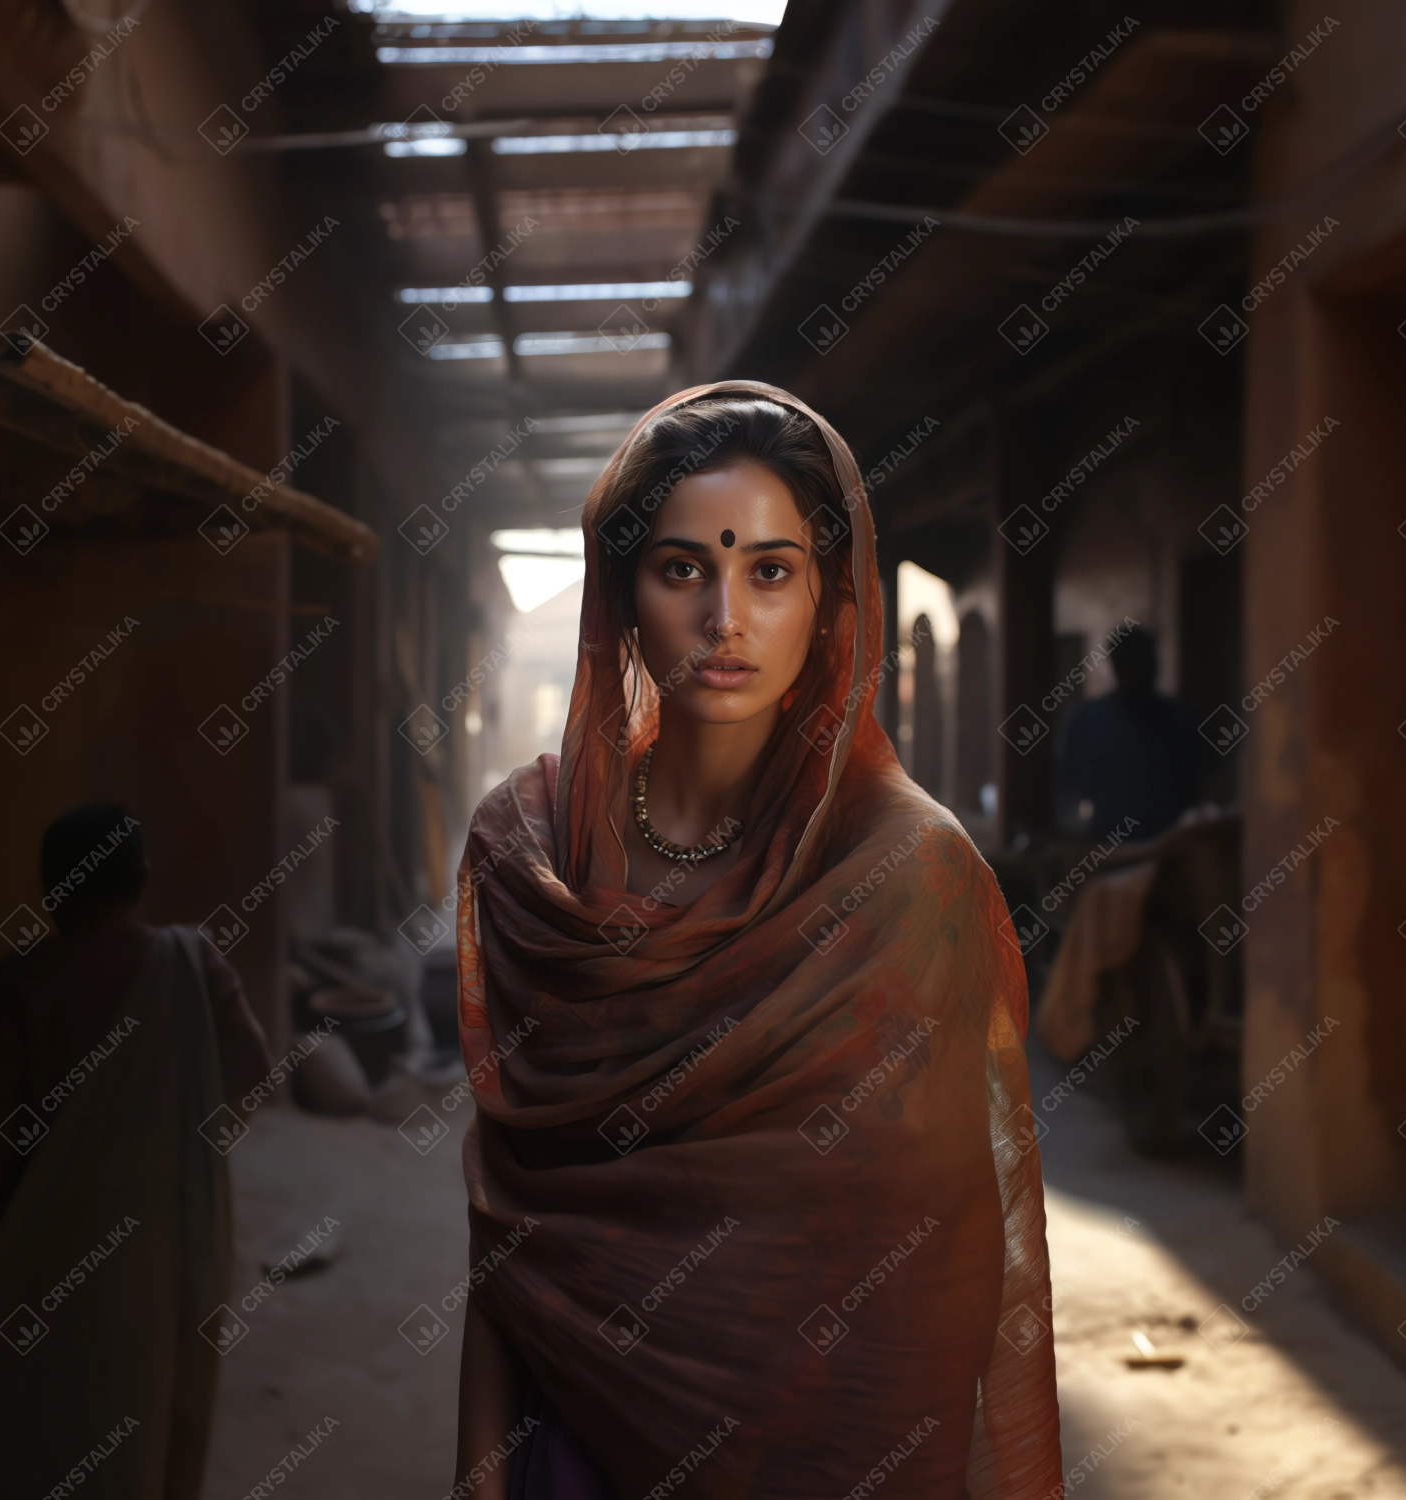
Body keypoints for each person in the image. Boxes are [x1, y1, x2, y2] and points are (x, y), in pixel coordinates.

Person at [452, 383, 1061, 1499]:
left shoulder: (910, 875)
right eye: (683, 568)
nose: (725, 615)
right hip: (573, 1455)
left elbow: (945, 1264)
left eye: (770, 571)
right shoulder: (529, 854)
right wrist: (477, 1476)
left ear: (829, 601)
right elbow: (508, 1220)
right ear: (623, 595)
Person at [0, 803, 272, 1499]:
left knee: (45, 1416)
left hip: (45, 1237)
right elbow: (250, 1068)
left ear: (52, 890)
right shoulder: (188, 960)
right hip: (164, 1239)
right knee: (151, 1412)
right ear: (141, 878)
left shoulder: (18, 984)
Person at [1055, 625, 1207, 842]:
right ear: (1116, 666)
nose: (1140, 671)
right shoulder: (1084, 723)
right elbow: (1066, 790)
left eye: (1146, 661)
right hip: (1105, 854)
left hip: (1174, 852)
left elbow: (1205, 785)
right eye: (1130, 663)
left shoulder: (1181, 720)